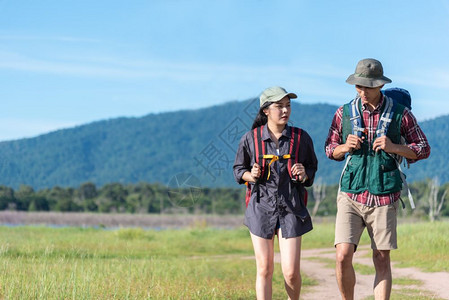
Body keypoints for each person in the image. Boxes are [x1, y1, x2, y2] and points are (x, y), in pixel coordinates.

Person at [325, 58, 430, 299]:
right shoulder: (344, 113)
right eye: (358, 86)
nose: (362, 92)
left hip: (384, 195)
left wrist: (394, 147)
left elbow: (423, 148)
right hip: (350, 193)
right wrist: (343, 147)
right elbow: (329, 149)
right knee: (342, 256)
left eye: (368, 87)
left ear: (380, 86)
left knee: (381, 258)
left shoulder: (400, 114)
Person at [233, 86, 318, 299]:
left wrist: (303, 173)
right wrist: (251, 175)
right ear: (265, 111)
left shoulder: (301, 138)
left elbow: (312, 167)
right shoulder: (250, 139)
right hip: (261, 208)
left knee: (290, 272)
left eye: (288, 106)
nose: (285, 110)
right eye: (279, 106)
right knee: (264, 269)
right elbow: (238, 170)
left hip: (292, 209)